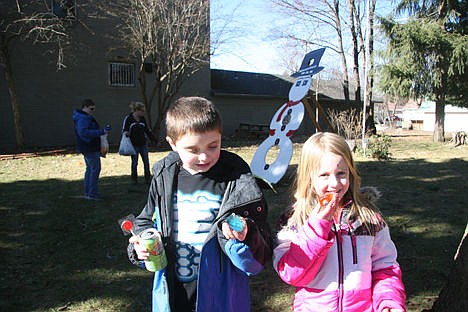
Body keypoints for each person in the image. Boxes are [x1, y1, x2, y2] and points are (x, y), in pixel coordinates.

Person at [126, 96, 272, 312]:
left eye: (213, 146)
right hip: (173, 292)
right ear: (172, 143)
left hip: (222, 293)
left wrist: (246, 234)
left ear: (221, 137)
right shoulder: (165, 176)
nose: (204, 156)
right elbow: (146, 219)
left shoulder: (237, 180)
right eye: (193, 150)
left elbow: (262, 244)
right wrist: (139, 246)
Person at [273, 132, 406, 312]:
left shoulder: (368, 219)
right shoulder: (295, 220)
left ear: (351, 172)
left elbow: (385, 267)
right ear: (309, 177)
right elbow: (291, 274)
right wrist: (317, 227)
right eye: (324, 175)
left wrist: (388, 302)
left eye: (341, 173)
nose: (334, 184)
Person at [72, 99, 110, 200]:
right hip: (89, 147)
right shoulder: (83, 118)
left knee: (90, 169)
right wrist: (100, 132)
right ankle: (92, 193)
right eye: (91, 108)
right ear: (85, 106)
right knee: (95, 169)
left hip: (87, 147)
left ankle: (88, 192)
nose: (93, 111)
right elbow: (83, 132)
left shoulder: (83, 117)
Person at [121, 101, 157, 184]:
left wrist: (154, 140)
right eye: (142, 111)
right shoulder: (129, 118)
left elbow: (147, 130)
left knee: (146, 162)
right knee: (134, 162)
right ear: (137, 110)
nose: (143, 113)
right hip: (134, 144)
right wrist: (127, 133)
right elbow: (124, 130)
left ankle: (147, 179)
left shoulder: (142, 119)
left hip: (143, 143)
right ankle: (134, 180)